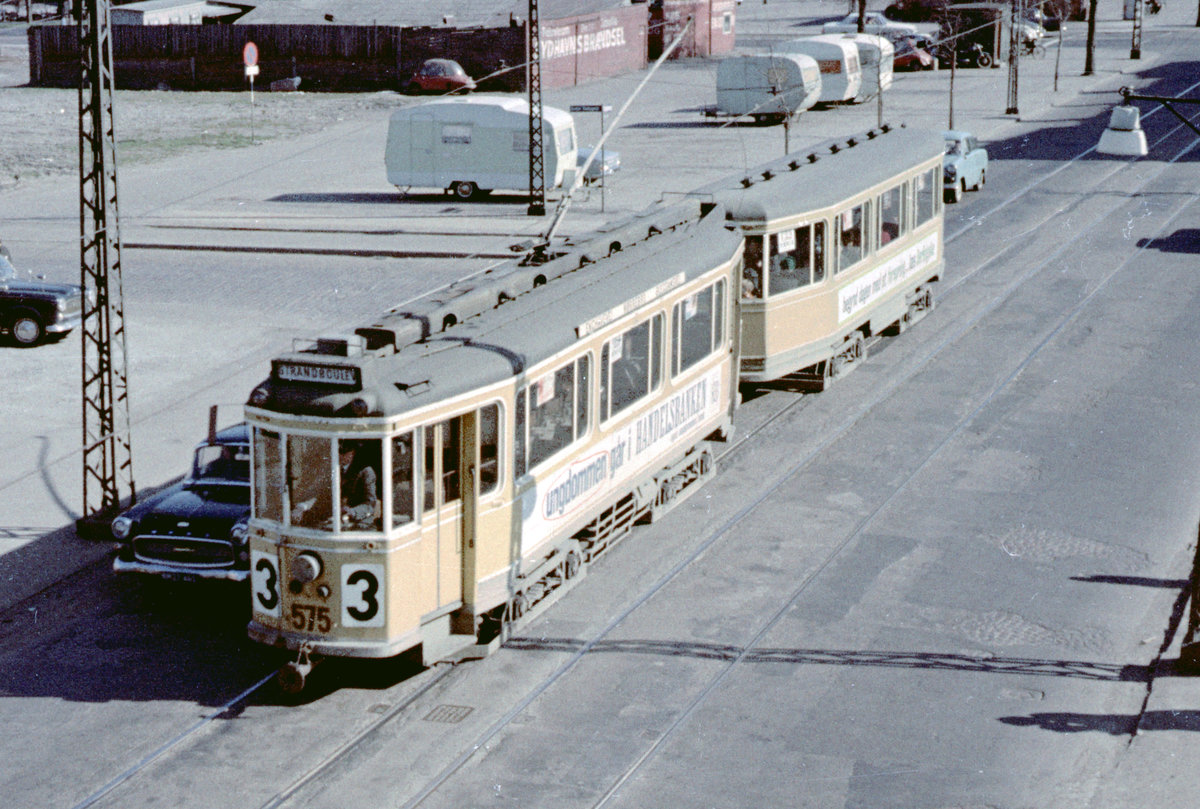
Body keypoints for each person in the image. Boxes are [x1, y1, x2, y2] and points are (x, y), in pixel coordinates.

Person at [340, 442, 380, 528]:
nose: (339, 455)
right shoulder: (331, 470)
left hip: (359, 521)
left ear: (352, 453)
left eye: (342, 452)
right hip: (335, 520)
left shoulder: (365, 472)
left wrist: (352, 512)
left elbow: (370, 504)